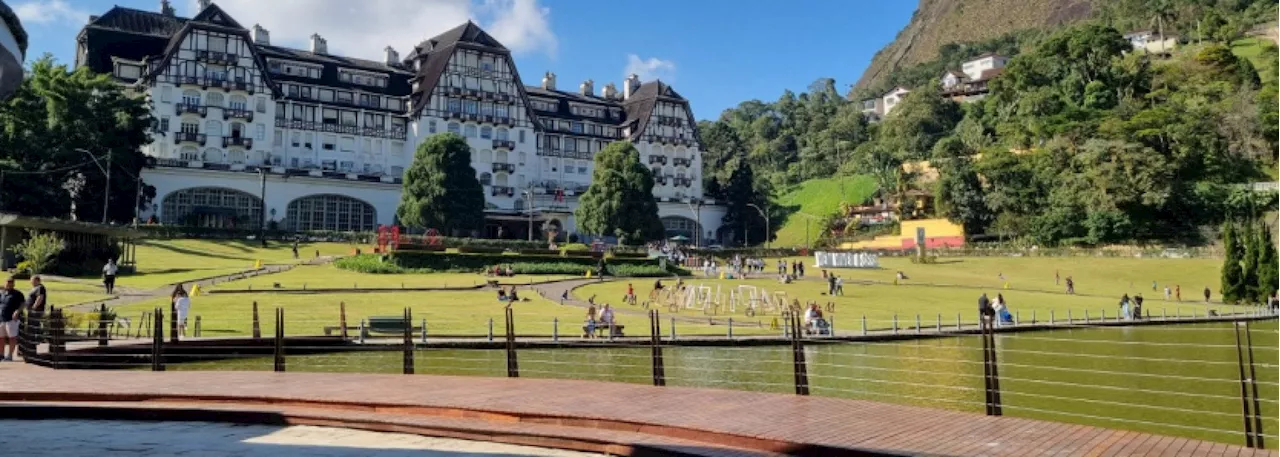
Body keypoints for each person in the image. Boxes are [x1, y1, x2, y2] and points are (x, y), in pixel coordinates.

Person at [0, 277, 25, 361]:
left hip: (12, 319)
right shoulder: (3, 293)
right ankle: (1, 355)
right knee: (1, 337)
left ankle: (10, 355)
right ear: (5, 284)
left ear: (13, 284)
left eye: (11, 284)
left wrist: (17, 312)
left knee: (12, 337)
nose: (9, 285)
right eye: (7, 283)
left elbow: (23, 304)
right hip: (2, 319)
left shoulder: (17, 294)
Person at [24, 275, 46, 348]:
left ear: (37, 280)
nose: (31, 282)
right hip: (31, 311)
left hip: (36, 311)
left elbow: (40, 297)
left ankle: (36, 341)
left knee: (35, 325)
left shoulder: (40, 287)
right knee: (32, 326)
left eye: (32, 280)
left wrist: (34, 307)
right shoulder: (34, 288)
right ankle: (32, 341)